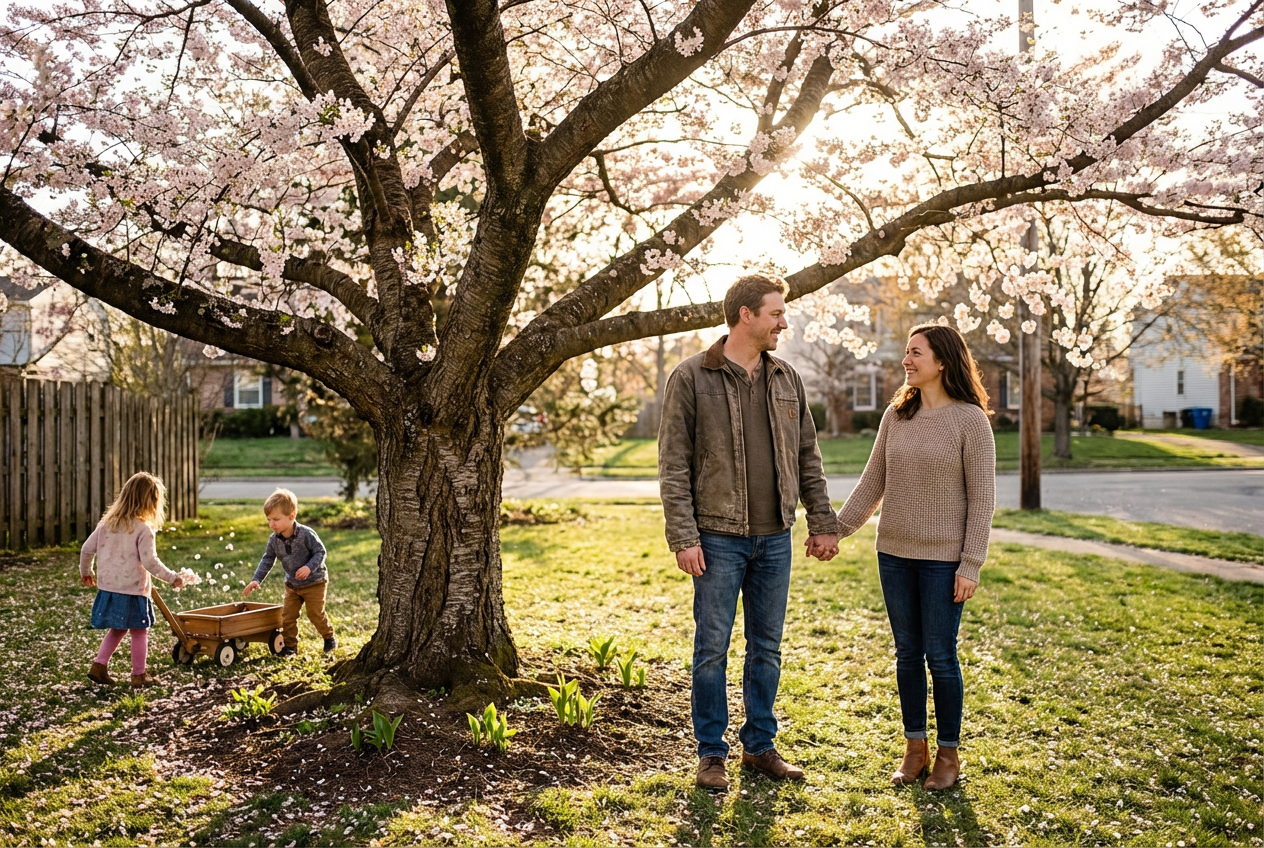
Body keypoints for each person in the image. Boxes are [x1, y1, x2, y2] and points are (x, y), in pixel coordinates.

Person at [658, 273, 839, 791]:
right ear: (746, 315)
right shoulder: (691, 377)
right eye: (776, 313)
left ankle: (759, 746)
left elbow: (809, 457)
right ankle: (711, 754)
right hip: (716, 537)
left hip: (775, 537)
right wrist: (683, 536)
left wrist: (822, 523)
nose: (784, 321)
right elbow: (674, 465)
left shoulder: (787, 378)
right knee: (711, 647)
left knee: (768, 647)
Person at [835, 322, 996, 791]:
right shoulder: (896, 416)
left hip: (945, 561)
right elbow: (872, 482)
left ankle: (949, 754)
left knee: (940, 656)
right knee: (907, 654)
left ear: (942, 361)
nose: (906, 361)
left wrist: (971, 564)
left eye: (915, 353)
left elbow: (982, 499)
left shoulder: (971, 421)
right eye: (906, 352)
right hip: (895, 554)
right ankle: (915, 748)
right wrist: (837, 530)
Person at [81, 471, 187, 688]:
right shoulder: (143, 529)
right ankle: (138, 675)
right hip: (132, 590)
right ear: (151, 502)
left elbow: (86, 549)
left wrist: (86, 571)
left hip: (109, 588)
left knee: (118, 628)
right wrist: (172, 578)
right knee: (139, 630)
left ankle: (99, 666)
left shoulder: (106, 524)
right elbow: (150, 562)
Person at [243, 488, 336, 656]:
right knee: (287, 617)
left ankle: (329, 637)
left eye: (276, 519)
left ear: (292, 516)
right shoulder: (274, 540)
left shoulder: (306, 534)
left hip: (315, 582)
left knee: (314, 614)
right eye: (269, 519)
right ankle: (290, 648)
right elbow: (267, 559)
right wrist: (256, 579)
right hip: (292, 585)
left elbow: (320, 552)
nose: (272, 524)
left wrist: (309, 567)